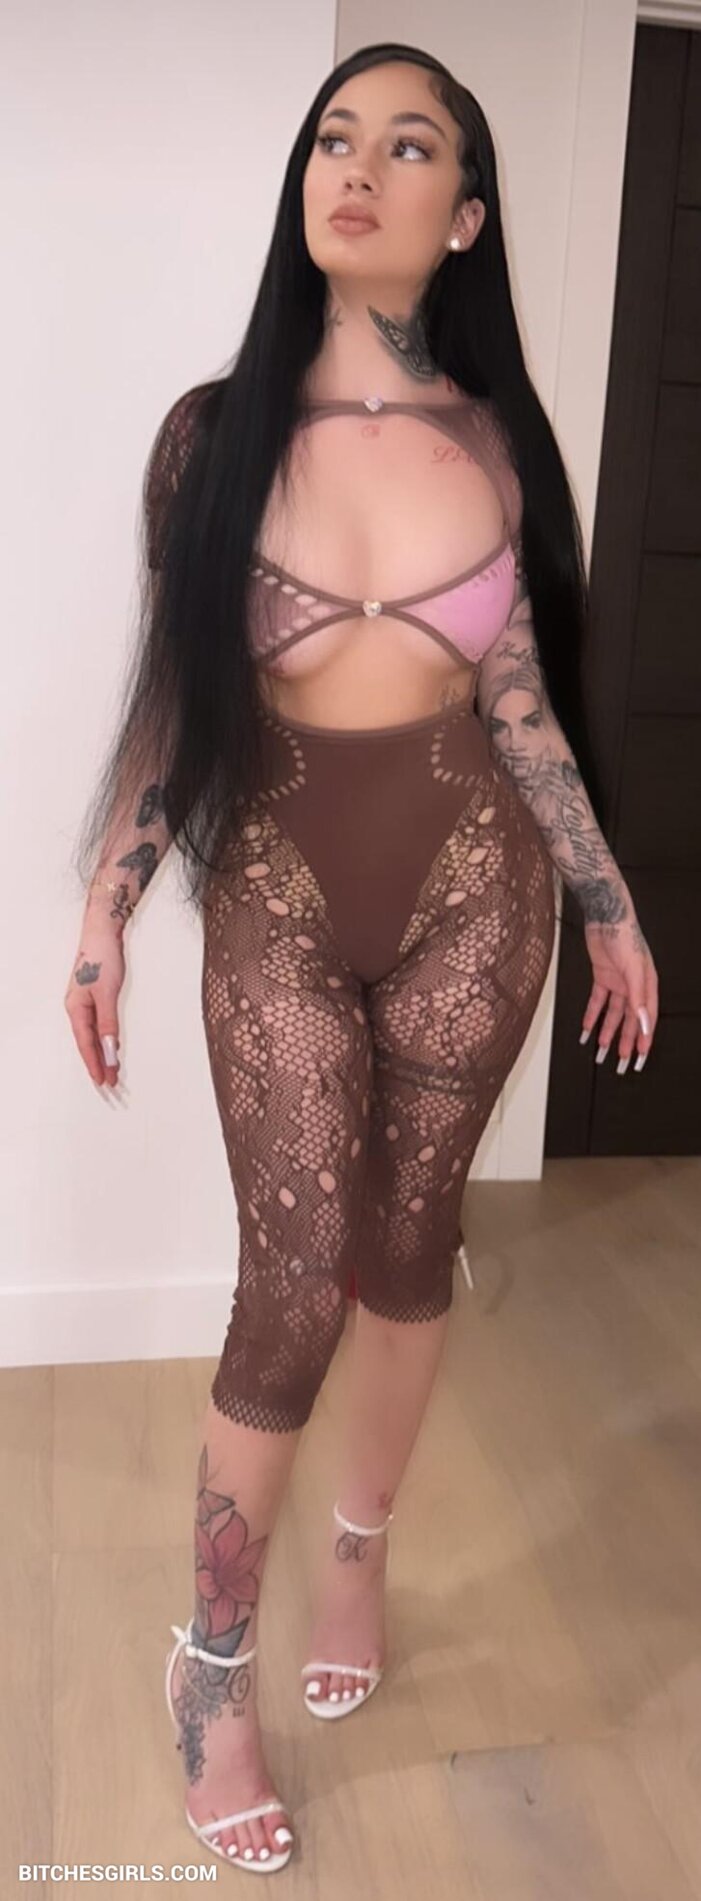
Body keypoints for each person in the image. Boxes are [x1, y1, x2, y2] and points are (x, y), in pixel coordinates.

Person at [64, 40, 659, 1876]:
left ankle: (360, 1547)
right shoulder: (211, 436)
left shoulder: (497, 439)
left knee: (407, 1255)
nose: (358, 166)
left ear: (462, 216)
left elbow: (518, 701)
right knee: (291, 1279)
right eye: (335, 135)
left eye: (408, 147)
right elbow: (179, 697)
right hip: (280, 896)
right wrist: (105, 897)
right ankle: (208, 1664)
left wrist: (609, 897)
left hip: (480, 887)